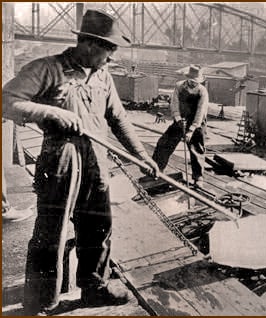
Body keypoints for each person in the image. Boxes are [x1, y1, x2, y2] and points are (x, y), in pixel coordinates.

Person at [2, 9, 159, 315]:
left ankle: (94, 288)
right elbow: (6, 101)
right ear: (89, 44)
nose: (111, 58)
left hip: (96, 159)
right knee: (52, 231)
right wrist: (54, 113)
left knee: (98, 226)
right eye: (108, 50)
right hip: (60, 159)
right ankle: (41, 299)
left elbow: (118, 119)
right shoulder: (47, 69)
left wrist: (142, 155)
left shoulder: (103, 76)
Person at [152, 65, 209, 188]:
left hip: (196, 123)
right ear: (188, 79)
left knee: (196, 149)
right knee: (164, 143)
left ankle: (198, 177)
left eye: (196, 82)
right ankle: (157, 168)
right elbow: (174, 104)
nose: (193, 84)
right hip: (180, 120)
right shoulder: (179, 86)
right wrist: (178, 119)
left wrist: (191, 130)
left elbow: (200, 112)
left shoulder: (202, 91)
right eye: (192, 81)